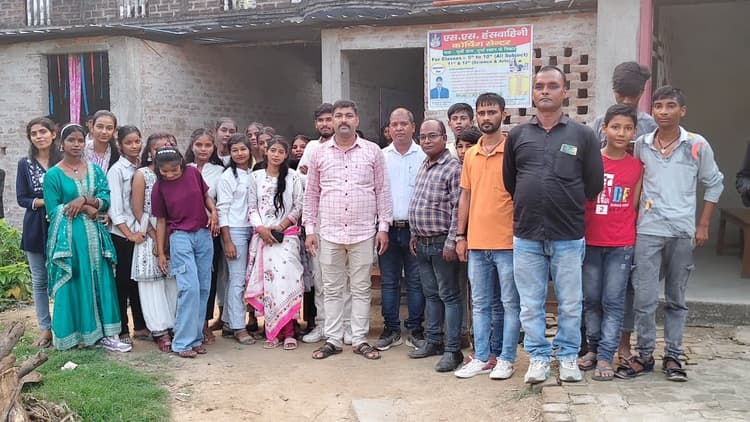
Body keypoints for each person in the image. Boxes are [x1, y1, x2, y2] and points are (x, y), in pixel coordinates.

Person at [503, 66, 604, 384]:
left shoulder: (582, 135)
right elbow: (510, 182)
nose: (545, 91)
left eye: (552, 86)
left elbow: (594, 184)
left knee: (571, 303)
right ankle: (538, 357)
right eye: (539, 86)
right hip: (527, 234)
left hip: (568, 235)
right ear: (533, 93)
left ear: (564, 92)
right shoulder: (518, 135)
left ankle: (567, 355)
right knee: (530, 304)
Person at [617, 86, 723, 382]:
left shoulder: (696, 145)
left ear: (682, 111)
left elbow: (714, 183)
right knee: (644, 298)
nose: (664, 112)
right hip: (648, 231)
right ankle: (645, 355)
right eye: (658, 106)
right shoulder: (641, 145)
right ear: (651, 111)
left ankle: (674, 356)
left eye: (670, 106)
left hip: (681, 232)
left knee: (676, 298)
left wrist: (703, 224)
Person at [304, 99, 392, 360]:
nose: (343, 120)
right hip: (329, 232)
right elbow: (312, 194)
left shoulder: (372, 151)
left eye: (349, 115)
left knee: (361, 287)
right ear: (332, 121)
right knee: (332, 288)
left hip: (363, 231)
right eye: (339, 116)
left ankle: (359, 338)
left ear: (357, 120)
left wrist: (383, 227)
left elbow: (382, 190)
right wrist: (309, 229)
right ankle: (333, 339)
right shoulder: (319, 153)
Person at [43, 123, 130, 352]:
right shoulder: (53, 175)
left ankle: (107, 335)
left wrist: (84, 201)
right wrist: (85, 208)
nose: (76, 144)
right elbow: (52, 211)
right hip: (70, 240)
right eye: (71, 140)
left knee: (102, 280)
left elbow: (105, 199)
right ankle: (74, 336)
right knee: (74, 281)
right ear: (62, 144)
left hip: (96, 236)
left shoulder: (95, 170)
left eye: (80, 140)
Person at [454, 93, 521, 380]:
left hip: (508, 243)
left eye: (491, 112)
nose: (486, 117)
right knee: (480, 304)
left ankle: (506, 358)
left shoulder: (514, 149)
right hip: (478, 243)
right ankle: (482, 357)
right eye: (481, 113)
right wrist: (460, 235)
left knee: (509, 304)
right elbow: (465, 196)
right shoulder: (471, 154)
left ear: (503, 115)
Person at [578, 104, 643, 381]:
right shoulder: (590, 162)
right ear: (604, 129)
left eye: (628, 128)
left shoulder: (637, 167)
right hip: (590, 241)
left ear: (635, 132)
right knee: (591, 300)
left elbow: (634, 205)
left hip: (621, 244)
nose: (621, 133)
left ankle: (606, 355)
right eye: (615, 127)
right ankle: (593, 349)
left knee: (614, 301)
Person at [152, 146, 219, 358]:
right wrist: (161, 252)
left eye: (174, 170)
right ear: (158, 170)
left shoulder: (193, 173)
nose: (170, 174)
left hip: (203, 234)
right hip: (180, 237)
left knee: (203, 288)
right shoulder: (159, 188)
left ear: (182, 164)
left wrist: (214, 212)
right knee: (189, 288)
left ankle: (195, 339)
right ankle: (181, 343)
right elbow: (161, 221)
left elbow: (206, 196)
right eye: (165, 171)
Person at [407, 118, 463, 371]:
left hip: (442, 244)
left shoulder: (452, 168)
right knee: (431, 295)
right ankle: (433, 341)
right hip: (422, 243)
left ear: (444, 138)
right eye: (423, 137)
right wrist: (414, 234)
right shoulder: (425, 164)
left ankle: (453, 350)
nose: (427, 141)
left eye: (432, 136)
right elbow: (419, 202)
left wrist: (452, 242)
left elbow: (458, 209)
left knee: (449, 295)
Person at [299, 103, 353, 345]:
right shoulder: (312, 147)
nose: (325, 124)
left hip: (346, 221)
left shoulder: (352, 147)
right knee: (321, 277)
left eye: (328, 119)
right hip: (320, 222)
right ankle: (323, 324)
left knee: (347, 278)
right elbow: (304, 182)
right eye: (320, 120)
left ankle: (348, 325)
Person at [245, 138, 305, 350]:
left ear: (286, 155)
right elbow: (252, 207)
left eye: (281, 151)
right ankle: (273, 332)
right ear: (266, 152)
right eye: (273, 150)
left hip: (286, 237)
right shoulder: (255, 177)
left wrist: (280, 227)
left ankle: (289, 332)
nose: (276, 154)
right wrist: (261, 229)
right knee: (269, 285)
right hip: (263, 238)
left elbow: (298, 206)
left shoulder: (293, 177)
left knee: (287, 282)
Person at [376, 107, 426, 351]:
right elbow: (376, 193)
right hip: (387, 229)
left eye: (403, 124)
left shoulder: (424, 155)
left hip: (416, 230)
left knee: (416, 282)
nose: (398, 128)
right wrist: (381, 228)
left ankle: (415, 329)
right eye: (394, 124)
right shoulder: (381, 156)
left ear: (413, 127)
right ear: (389, 129)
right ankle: (391, 329)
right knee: (389, 281)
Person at [131, 133, 178, 353]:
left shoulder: (177, 173)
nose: (163, 150)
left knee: (172, 281)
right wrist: (154, 235)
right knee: (152, 283)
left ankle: (175, 326)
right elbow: (137, 209)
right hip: (149, 231)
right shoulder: (143, 174)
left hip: (173, 230)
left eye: (169, 146)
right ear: (149, 152)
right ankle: (159, 330)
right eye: (157, 148)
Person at [16, 116, 61, 348]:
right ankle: (45, 329)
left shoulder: (63, 161)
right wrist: (46, 202)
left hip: (61, 226)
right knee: (40, 280)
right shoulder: (25, 164)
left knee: (64, 276)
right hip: (35, 226)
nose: (38, 136)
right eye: (33, 133)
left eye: (43, 131)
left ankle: (64, 326)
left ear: (53, 133)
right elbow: (22, 198)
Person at [107, 125, 149, 344]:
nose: (134, 146)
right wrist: (128, 234)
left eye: (137, 141)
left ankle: (140, 327)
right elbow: (115, 208)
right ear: (120, 145)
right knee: (122, 282)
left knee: (138, 282)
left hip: (141, 233)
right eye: (129, 142)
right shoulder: (117, 170)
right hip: (123, 235)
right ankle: (123, 328)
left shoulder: (142, 167)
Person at [184, 129, 227, 343]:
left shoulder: (220, 171)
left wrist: (216, 217)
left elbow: (221, 200)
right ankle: (187, 324)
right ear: (192, 146)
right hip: (185, 229)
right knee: (187, 279)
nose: (203, 149)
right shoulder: (183, 168)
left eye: (207, 145)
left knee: (207, 278)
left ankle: (204, 323)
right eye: (199, 145)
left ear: (214, 148)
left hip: (211, 230)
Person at [217, 134, 256, 345]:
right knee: (237, 279)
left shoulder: (254, 173)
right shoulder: (227, 177)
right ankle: (239, 327)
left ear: (250, 150)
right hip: (235, 230)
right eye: (235, 150)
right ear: (230, 153)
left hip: (254, 229)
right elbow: (222, 209)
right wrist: (228, 240)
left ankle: (227, 322)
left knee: (246, 279)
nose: (239, 153)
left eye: (243, 149)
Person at [592, 62, 657, 145]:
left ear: (641, 92)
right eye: (622, 95)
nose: (626, 101)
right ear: (614, 91)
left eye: (632, 95)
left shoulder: (650, 125)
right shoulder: (600, 123)